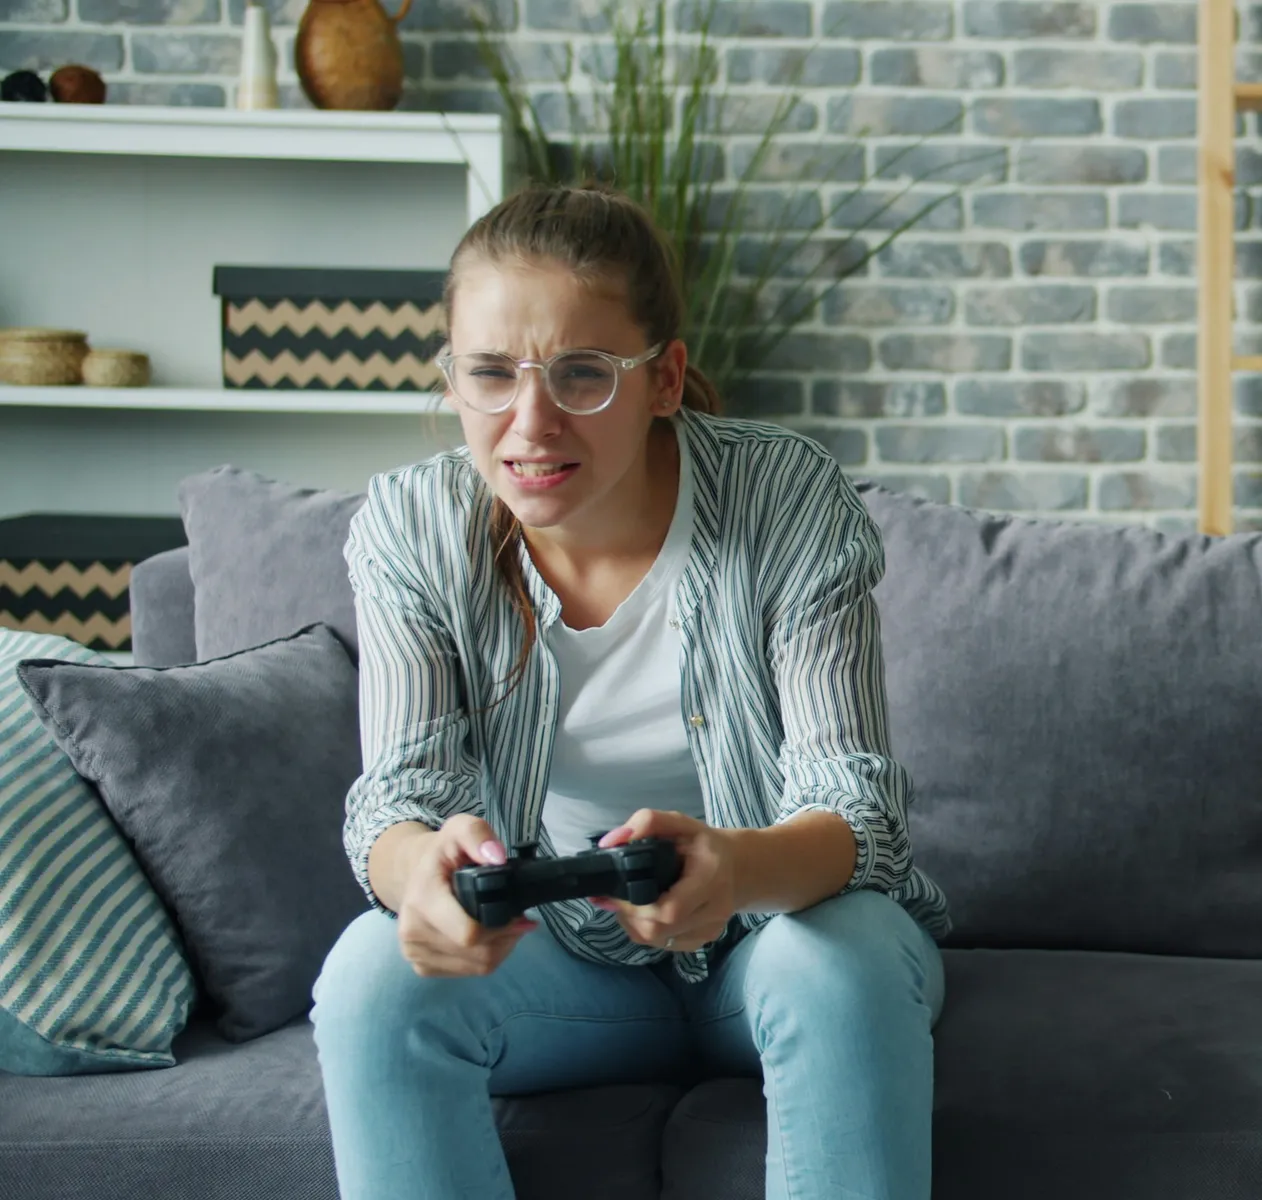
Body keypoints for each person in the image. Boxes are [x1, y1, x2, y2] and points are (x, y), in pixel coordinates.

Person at [309, 185, 950, 1200]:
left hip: (769, 948)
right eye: (488, 376)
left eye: (583, 375)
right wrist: (419, 876)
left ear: (665, 379)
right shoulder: (408, 528)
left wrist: (730, 871)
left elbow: (860, 817)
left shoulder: (783, 497)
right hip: (559, 974)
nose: (529, 424)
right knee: (369, 978)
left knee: (845, 962)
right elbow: (398, 799)